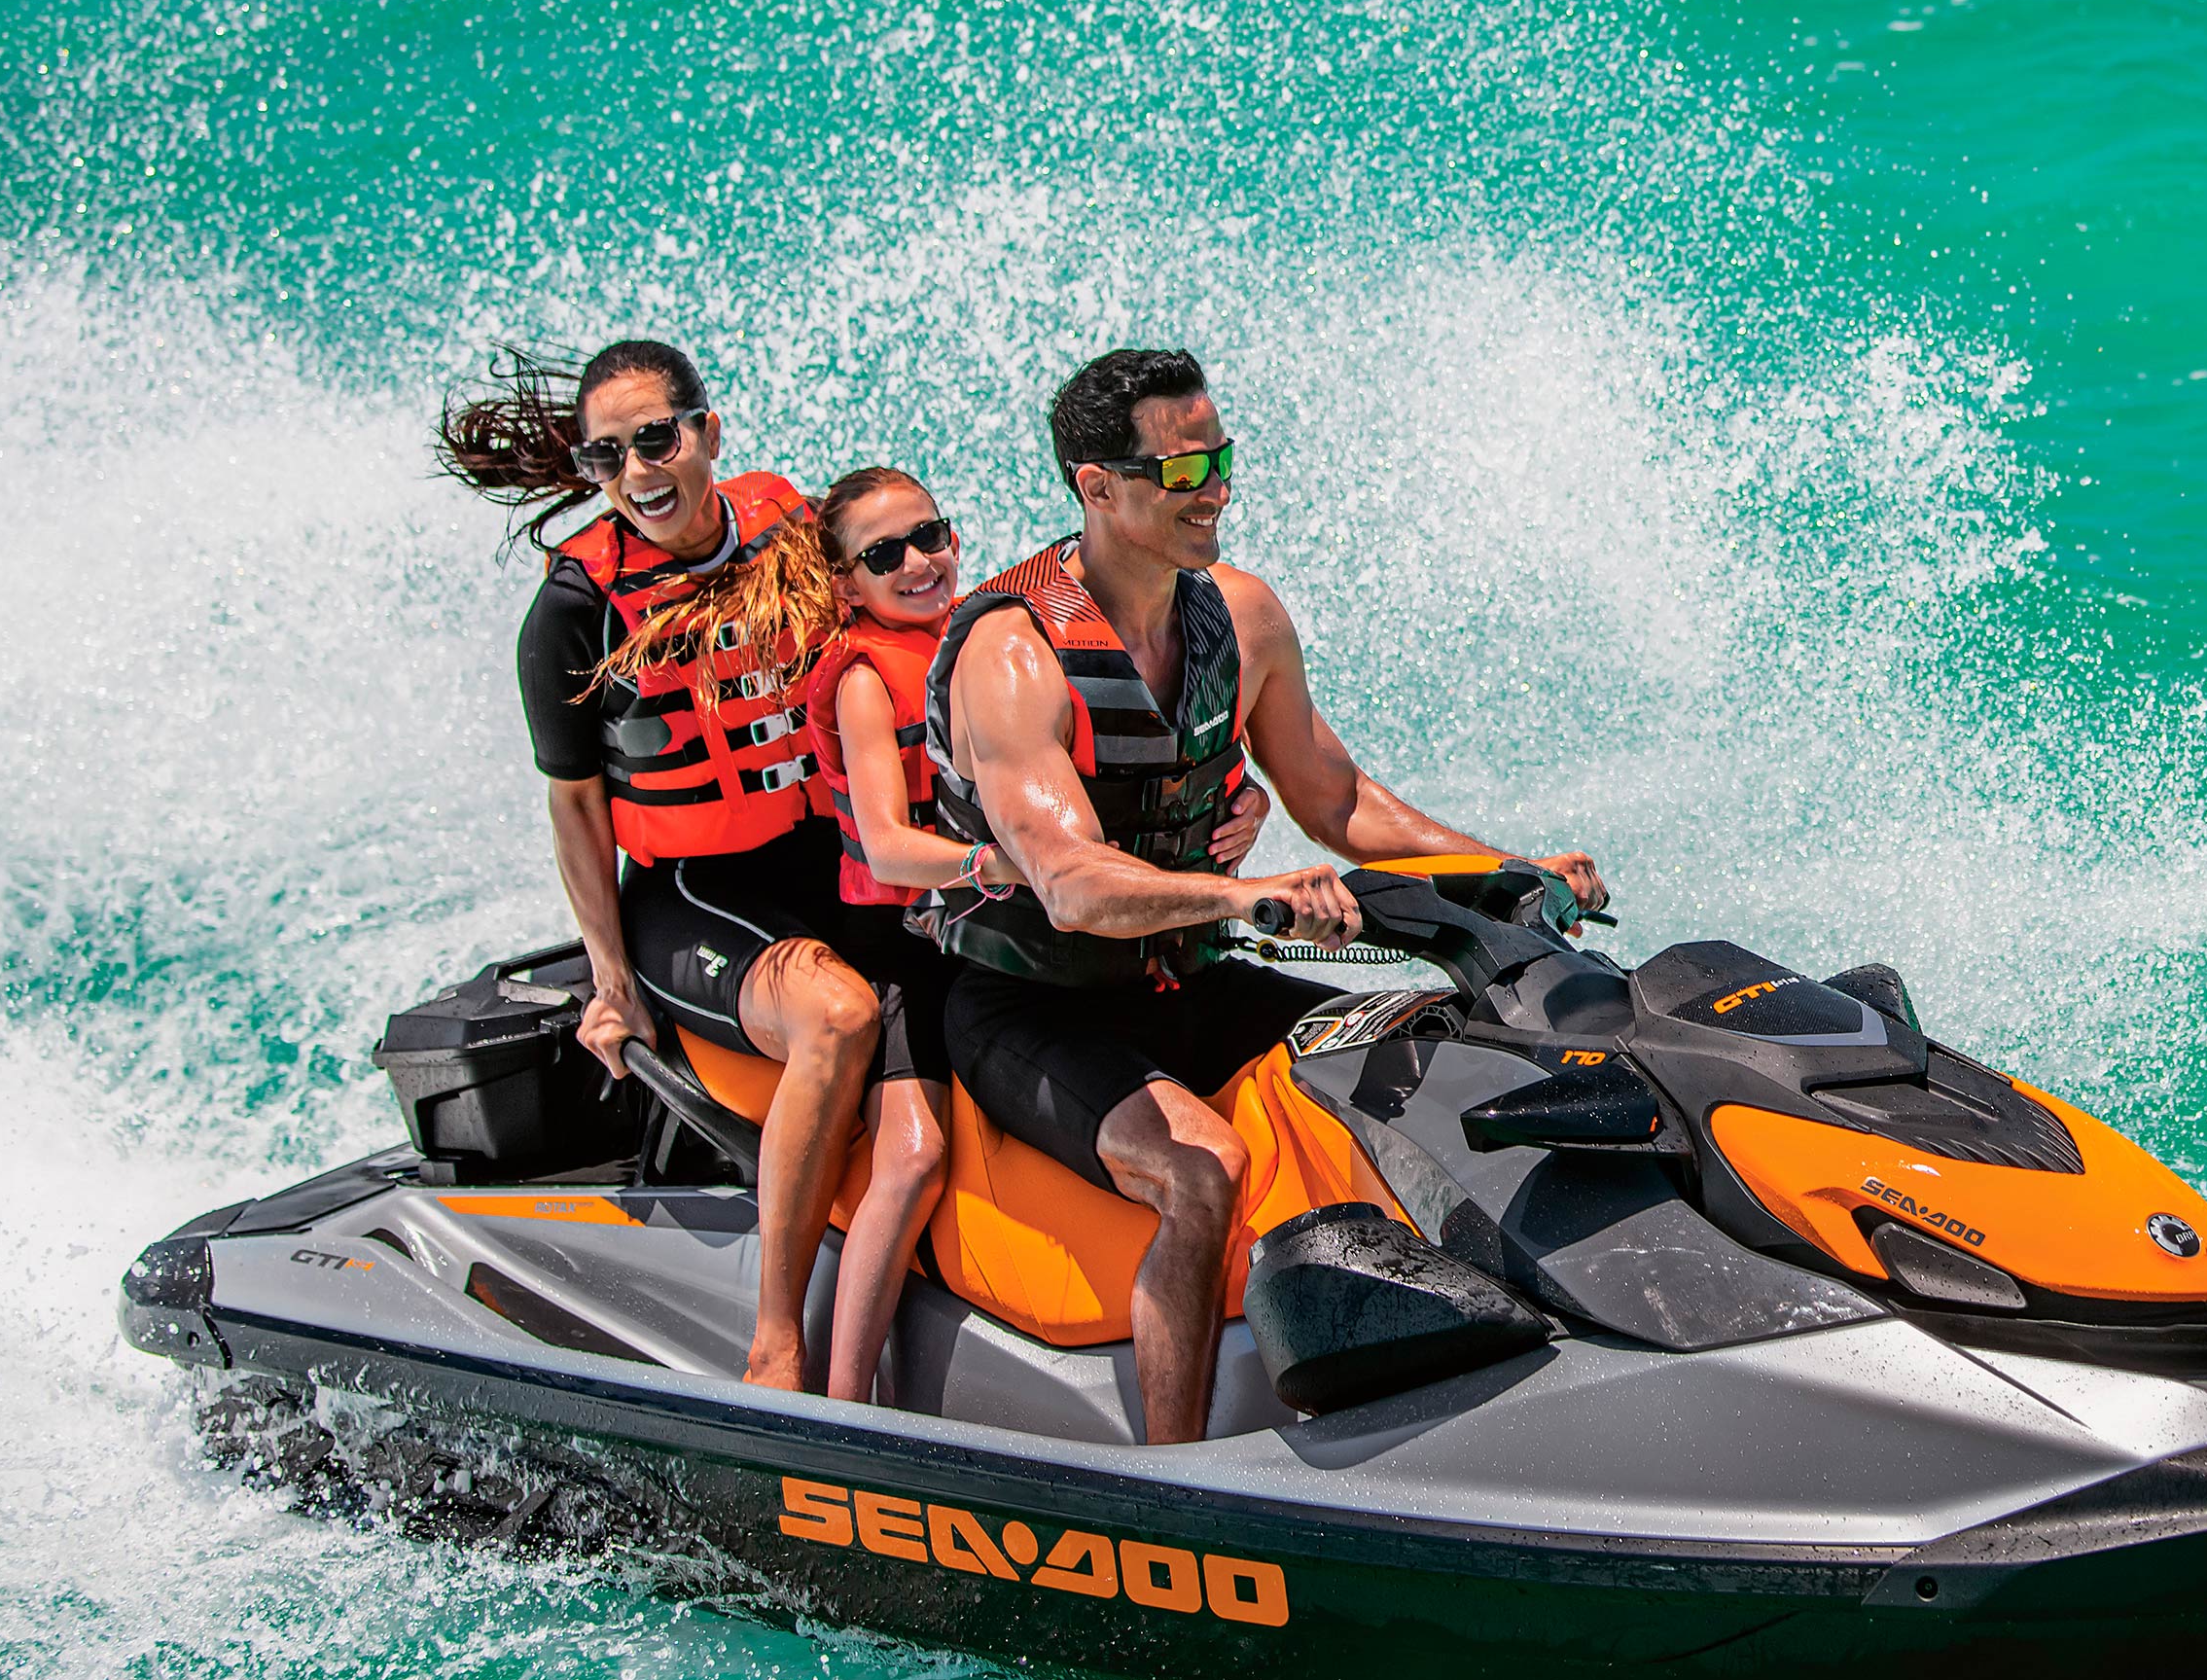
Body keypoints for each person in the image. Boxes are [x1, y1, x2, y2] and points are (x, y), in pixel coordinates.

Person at [925, 348, 1606, 1446]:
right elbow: (1070, 884)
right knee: (1201, 1171)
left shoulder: (1242, 616)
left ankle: (1534, 1364)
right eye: (1183, 465)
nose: (1217, 488)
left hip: (1190, 983)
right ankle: (1174, 1476)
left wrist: (1509, 869)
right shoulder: (1012, 654)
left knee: (1447, 1040)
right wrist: (1240, 899)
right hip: (1037, 1008)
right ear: (1097, 487)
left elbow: (1337, 802)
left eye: (1222, 456)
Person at [432, 340, 896, 1397]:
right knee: (839, 1019)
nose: (640, 471)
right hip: (693, 897)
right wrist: (609, 983)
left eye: (656, 438)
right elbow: (577, 807)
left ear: (706, 434)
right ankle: (778, 1339)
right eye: (609, 456)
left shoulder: (792, 526)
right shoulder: (574, 605)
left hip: (836, 858)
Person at [783, 467, 1273, 1401]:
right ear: (846, 583)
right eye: (884, 555)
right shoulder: (862, 678)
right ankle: (838, 1402)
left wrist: (1240, 801)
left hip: (1008, 934)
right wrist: (1001, 863)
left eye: (933, 535)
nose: (920, 562)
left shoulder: (1003, 637)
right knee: (915, 1155)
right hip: (913, 952)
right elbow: (886, 847)